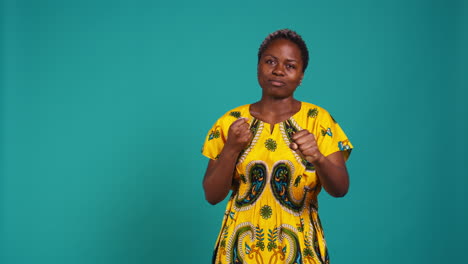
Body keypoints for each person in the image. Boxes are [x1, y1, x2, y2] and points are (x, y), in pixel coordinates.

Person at [201, 29, 353, 264]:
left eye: (290, 65)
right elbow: (212, 195)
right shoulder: (230, 122)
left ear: (301, 75)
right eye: (270, 61)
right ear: (258, 66)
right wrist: (231, 148)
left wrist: (318, 158)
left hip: (301, 250)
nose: (278, 70)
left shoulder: (319, 120)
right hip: (238, 250)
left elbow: (340, 189)